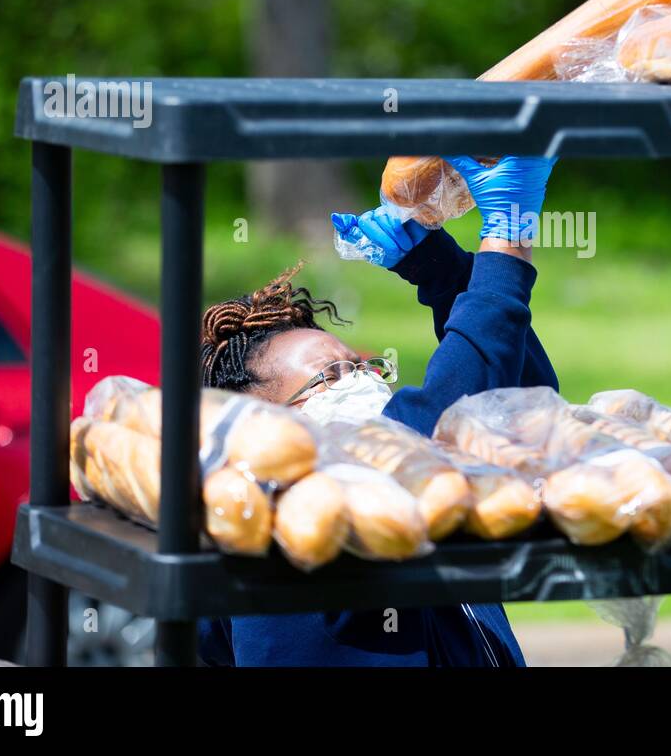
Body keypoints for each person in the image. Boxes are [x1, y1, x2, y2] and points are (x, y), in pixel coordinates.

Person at [196, 155, 558, 666]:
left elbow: (519, 412)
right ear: (265, 431)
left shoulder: (409, 504)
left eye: (362, 367)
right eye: (333, 375)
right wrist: (506, 235)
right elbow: (436, 430)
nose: (364, 380)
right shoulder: (289, 523)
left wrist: (442, 271)